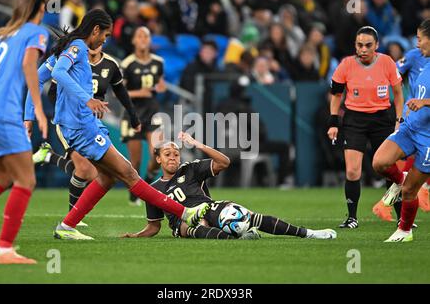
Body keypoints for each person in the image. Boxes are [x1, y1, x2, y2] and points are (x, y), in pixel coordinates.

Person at [46, 9, 208, 240]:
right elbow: (60, 73)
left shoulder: (77, 48)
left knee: (107, 177)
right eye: (106, 35)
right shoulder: (79, 47)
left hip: (86, 124)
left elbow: (44, 73)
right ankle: (185, 213)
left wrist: (28, 114)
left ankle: (67, 225)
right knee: (130, 174)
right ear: (96, 30)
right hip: (81, 126)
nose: (105, 39)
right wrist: (88, 99)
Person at [121, 132, 337, 240]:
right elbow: (154, 227)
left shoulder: (191, 169)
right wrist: (136, 236)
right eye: (167, 155)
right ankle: (239, 238)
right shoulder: (153, 189)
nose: (173, 158)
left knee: (249, 216)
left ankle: (308, 233)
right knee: (194, 226)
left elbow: (224, 162)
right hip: (181, 222)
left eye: (176, 154)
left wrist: (197, 144)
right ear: (158, 159)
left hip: (209, 207)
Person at [25, 44, 142, 224]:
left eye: (105, 39)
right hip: (70, 123)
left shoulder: (110, 64)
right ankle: (72, 219)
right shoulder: (72, 60)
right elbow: (52, 92)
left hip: (92, 123)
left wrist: (133, 116)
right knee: (86, 170)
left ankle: (49, 156)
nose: (98, 43)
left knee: (93, 173)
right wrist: (78, 107)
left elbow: (120, 91)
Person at [0, 0, 48, 264]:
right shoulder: (37, 33)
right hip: (4, 113)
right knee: (26, 179)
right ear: (39, 10)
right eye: (44, 10)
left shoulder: (1, 38)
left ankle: (4, 248)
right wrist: (38, 110)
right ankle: (4, 249)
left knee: (0, 178)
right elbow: (29, 65)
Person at [327, 26, 404, 229]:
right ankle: (352, 218)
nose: (363, 49)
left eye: (368, 45)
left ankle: (402, 218)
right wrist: (333, 123)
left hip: (382, 119)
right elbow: (336, 95)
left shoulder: (387, 62)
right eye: (359, 45)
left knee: (389, 169)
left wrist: (399, 119)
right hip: (354, 120)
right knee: (352, 171)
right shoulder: (346, 65)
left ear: (376, 46)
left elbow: (398, 93)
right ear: (355, 45)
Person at [372, 19, 430, 242]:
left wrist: (425, 102)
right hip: (410, 127)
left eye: (420, 39)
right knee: (379, 162)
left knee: (408, 192)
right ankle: (401, 177)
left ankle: (405, 231)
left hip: (428, 140)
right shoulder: (421, 60)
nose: (417, 43)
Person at [120, 26, 166, 206]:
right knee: (136, 161)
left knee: (157, 155)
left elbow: (160, 84)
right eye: (139, 36)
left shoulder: (158, 62)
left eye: (146, 36)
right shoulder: (127, 64)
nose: (143, 39)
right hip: (133, 113)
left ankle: (146, 183)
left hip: (153, 112)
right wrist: (140, 92)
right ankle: (135, 192)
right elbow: (120, 92)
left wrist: (161, 88)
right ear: (134, 41)